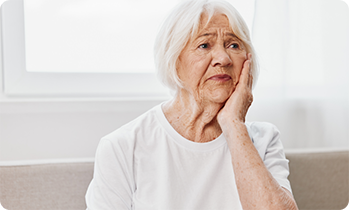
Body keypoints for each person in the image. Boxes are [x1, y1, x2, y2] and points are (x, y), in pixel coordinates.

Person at [85, 0, 299, 209]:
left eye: (233, 45)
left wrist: (234, 124)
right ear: (174, 61)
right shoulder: (122, 147)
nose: (223, 59)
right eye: (204, 45)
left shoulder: (264, 139)